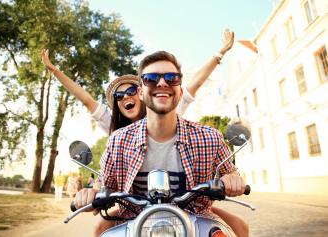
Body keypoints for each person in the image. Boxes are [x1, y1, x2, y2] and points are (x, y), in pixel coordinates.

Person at [74, 51, 249, 237]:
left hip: (195, 221)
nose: (162, 83)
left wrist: (232, 179)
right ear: (141, 92)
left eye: (172, 78)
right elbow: (104, 183)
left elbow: (230, 172)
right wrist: (91, 193)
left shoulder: (210, 137)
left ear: (180, 91)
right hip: (134, 223)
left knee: (236, 230)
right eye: (151, 78)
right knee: (101, 231)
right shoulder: (118, 140)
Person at [41, 29, 235, 134]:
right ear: (117, 104)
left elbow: (194, 84)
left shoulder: (164, 110)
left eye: (131, 90)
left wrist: (220, 53)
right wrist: (55, 71)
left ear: (142, 93)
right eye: (119, 95)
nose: (126, 96)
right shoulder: (114, 128)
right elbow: (86, 99)